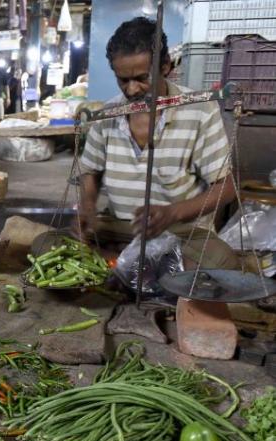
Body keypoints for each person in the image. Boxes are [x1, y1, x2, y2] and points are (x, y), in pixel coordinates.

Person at [78, 17, 237, 269]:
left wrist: (172, 212)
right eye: (123, 80)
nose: (132, 90)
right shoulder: (108, 114)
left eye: (142, 78)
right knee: (48, 245)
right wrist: (87, 206)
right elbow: (91, 171)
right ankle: (132, 270)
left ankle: (126, 272)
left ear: (165, 66)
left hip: (180, 234)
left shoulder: (199, 111)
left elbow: (226, 188)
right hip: (121, 231)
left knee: (220, 261)